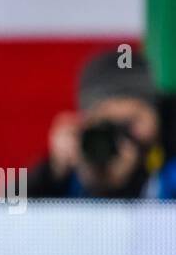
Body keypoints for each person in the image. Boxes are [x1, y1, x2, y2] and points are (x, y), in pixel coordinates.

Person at [27, 50, 176, 200]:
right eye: (107, 124)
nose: (121, 137)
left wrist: (134, 181)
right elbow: (9, 211)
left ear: (156, 116)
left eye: (129, 122)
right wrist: (52, 173)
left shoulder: (169, 169)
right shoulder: (72, 171)